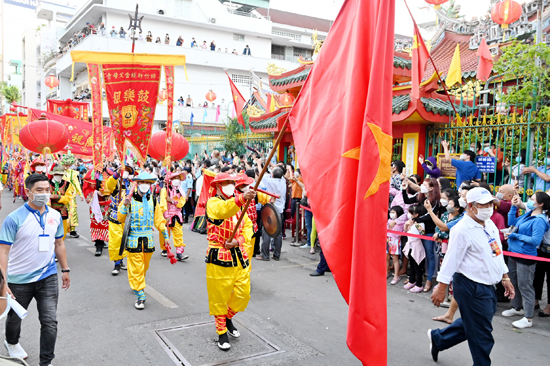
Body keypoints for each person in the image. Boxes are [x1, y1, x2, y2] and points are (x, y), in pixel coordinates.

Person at [428, 187, 514, 366]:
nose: (489, 207)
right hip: (469, 285)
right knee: (483, 335)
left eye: (491, 203)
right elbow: (451, 260)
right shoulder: (461, 230)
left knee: (476, 323)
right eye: (484, 204)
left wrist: (505, 277)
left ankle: (439, 339)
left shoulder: (489, 224)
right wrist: (441, 287)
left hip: (488, 285)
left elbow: (497, 252)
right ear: (470, 206)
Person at [0, 174, 71, 364]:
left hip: (47, 277)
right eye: (39, 190)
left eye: (47, 190)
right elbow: (4, 252)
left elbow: (59, 243)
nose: (45, 194)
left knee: (49, 321)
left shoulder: (55, 215)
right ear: (29, 192)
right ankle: (11, 342)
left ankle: (46, 361)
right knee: (15, 318)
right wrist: (3, 282)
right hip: (18, 280)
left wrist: (65, 270)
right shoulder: (14, 219)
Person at [205, 173, 255, 350]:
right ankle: (221, 332)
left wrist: (239, 241)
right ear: (218, 186)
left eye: (231, 183)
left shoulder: (238, 204)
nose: (228, 185)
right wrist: (241, 198)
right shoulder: (213, 203)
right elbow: (224, 210)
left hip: (239, 256)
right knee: (219, 298)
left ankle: (227, 318)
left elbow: (248, 226)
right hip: (219, 256)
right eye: (225, 183)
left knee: (243, 294)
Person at [119, 172, 169, 310]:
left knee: (144, 268)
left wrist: (166, 236)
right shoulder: (129, 199)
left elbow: (159, 220)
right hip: (134, 240)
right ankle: (140, 295)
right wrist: (124, 205)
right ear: (137, 184)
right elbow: (120, 218)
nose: (145, 185)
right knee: (136, 268)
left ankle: (137, 283)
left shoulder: (153, 200)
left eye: (148, 182)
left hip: (148, 241)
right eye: (142, 182)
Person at [502, 191, 550, 328]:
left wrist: (515, 236)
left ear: (540, 204)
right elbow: (512, 222)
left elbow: (535, 240)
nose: (529, 200)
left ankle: (528, 318)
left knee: (525, 285)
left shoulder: (540, 220)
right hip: (514, 252)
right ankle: (517, 307)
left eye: (532, 199)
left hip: (526, 255)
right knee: (514, 281)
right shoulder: (528, 214)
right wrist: (513, 207)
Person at [105, 166, 133, 275]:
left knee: (125, 241)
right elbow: (109, 185)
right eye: (124, 171)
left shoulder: (131, 185)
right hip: (115, 216)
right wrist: (117, 173)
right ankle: (117, 263)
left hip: (126, 217)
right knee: (116, 241)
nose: (125, 173)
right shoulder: (115, 183)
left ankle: (121, 260)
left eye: (127, 172)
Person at [256, 168, 287, 261]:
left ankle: (265, 255)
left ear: (272, 175)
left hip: (270, 209)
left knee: (266, 232)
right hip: (280, 210)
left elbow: (260, 174)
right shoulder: (283, 181)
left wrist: (258, 164)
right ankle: (276, 255)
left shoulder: (268, 180)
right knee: (278, 233)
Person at [159, 172, 188, 261]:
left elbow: (181, 204)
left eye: (178, 178)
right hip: (167, 215)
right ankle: (165, 249)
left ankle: (179, 253)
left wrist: (172, 201)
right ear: (171, 179)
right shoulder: (165, 190)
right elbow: (163, 204)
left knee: (178, 234)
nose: (177, 180)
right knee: (165, 233)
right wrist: (166, 214)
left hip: (177, 216)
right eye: (175, 178)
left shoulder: (181, 191)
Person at [48, 165, 72, 241]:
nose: (58, 176)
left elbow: (68, 198)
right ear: (53, 174)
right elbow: (46, 197)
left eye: (60, 175)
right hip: (50, 211)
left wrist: (56, 197)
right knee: (50, 232)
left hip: (62, 212)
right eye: (56, 174)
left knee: (62, 233)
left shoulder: (67, 184)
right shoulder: (47, 184)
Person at [387, 206, 405, 285]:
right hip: (387, 240)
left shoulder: (401, 222)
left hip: (395, 241)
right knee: (386, 257)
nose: (391, 214)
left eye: (394, 212)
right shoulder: (389, 220)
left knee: (395, 259)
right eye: (391, 212)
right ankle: (386, 272)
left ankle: (396, 276)